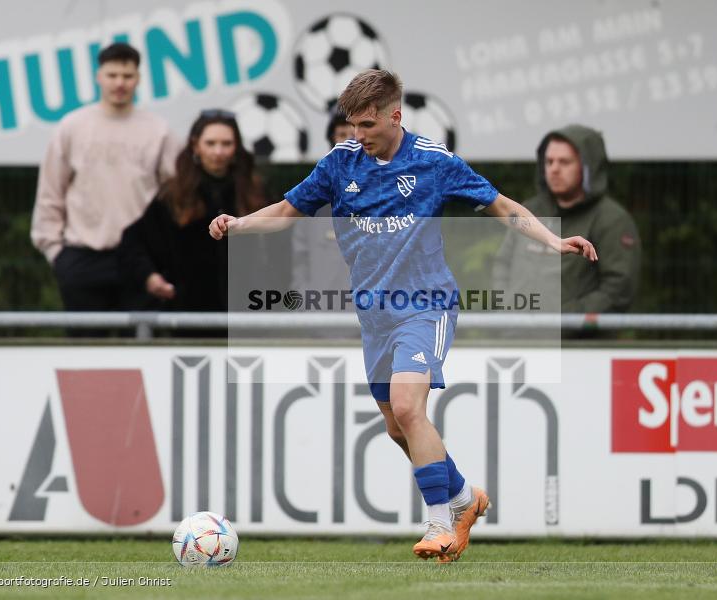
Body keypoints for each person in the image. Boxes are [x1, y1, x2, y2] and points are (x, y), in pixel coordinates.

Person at [209, 70, 597, 562]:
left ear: (395, 115)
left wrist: (552, 241)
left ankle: (439, 522)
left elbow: (502, 206)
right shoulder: (339, 164)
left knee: (411, 409)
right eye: (351, 125)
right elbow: (287, 210)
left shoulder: (433, 162)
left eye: (367, 125)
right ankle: (462, 497)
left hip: (426, 304)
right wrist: (239, 224)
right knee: (398, 427)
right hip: (374, 314)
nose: (358, 135)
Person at [30, 42, 179, 323]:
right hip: (81, 256)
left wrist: (164, 253)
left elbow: (176, 196)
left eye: (127, 76)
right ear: (99, 76)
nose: (119, 83)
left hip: (141, 261)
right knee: (85, 355)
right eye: (112, 75)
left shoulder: (159, 131)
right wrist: (55, 252)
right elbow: (51, 193)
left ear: (138, 78)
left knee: (140, 353)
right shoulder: (72, 127)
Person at [118, 110, 268, 320]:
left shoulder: (255, 193)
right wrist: (150, 277)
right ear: (196, 146)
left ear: (236, 148)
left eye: (226, 144)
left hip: (248, 312)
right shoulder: (174, 195)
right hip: (188, 314)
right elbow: (133, 241)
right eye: (210, 143)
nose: (218, 151)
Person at [493, 125, 640, 317]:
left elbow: (618, 289)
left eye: (564, 162)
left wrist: (565, 320)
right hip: (517, 337)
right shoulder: (529, 210)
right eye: (549, 161)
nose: (554, 169)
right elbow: (503, 263)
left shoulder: (612, 220)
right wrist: (506, 309)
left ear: (588, 167)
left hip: (577, 344)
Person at [289, 111, 353, 324]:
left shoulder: (388, 193)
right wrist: (305, 311)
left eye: (356, 135)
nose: (350, 142)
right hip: (320, 324)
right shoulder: (314, 197)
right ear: (332, 141)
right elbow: (299, 261)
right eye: (342, 134)